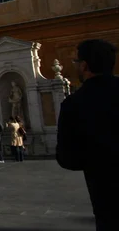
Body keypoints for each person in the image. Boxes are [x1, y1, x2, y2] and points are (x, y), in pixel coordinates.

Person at [57, 39, 119, 230]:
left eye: (76, 62)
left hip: (106, 195)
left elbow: (67, 159)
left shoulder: (73, 104)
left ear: (84, 65)